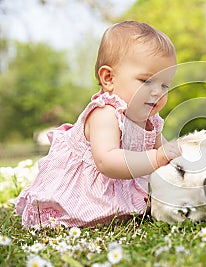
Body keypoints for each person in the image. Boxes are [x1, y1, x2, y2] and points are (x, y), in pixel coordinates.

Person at [15, 21, 181, 228]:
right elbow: (107, 161)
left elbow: (164, 152)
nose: (158, 92)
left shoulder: (152, 121)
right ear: (108, 78)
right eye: (146, 81)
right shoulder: (105, 113)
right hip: (85, 191)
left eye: (165, 84)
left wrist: (178, 156)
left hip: (119, 187)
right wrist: (157, 158)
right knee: (70, 217)